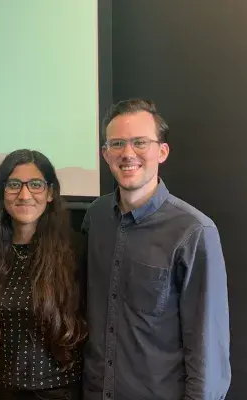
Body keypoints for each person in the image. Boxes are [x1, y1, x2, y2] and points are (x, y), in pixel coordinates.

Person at [81, 99, 231, 400]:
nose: (127, 153)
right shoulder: (95, 218)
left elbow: (207, 348)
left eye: (140, 143)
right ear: (105, 154)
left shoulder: (194, 232)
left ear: (161, 152)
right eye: (117, 143)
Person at [0, 149, 87, 400]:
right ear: (2, 193)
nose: (24, 195)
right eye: (14, 185)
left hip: (59, 392)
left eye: (35, 184)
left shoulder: (77, 251)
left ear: (50, 193)